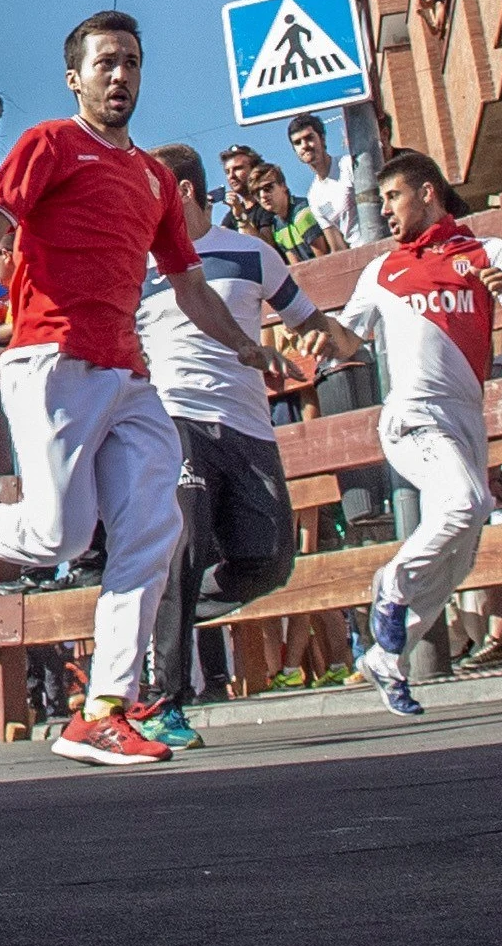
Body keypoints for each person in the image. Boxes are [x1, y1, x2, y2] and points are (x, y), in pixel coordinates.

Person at [0, 11, 290, 767]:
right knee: (59, 537)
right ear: (75, 77)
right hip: (51, 360)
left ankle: (101, 709)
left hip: (130, 376)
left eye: (132, 62)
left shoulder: (153, 181)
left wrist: (245, 347)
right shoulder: (50, 143)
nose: (120, 75)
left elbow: (190, 286)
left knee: (153, 529)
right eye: (105, 62)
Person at [132, 143, 347, 750]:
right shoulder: (140, 266)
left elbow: (306, 319)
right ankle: (167, 700)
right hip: (178, 418)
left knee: (270, 562)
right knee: (186, 546)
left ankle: (161, 618)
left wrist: (330, 338)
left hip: (249, 426)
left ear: (186, 194)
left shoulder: (253, 254)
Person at [314, 151, 502, 717]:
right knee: (465, 502)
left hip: (465, 416)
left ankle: (390, 656)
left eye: (393, 196)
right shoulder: (383, 271)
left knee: (463, 552)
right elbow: (348, 338)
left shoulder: (487, 252)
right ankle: (390, 584)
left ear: (428, 192)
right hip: (412, 415)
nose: (384, 209)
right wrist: (317, 339)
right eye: (381, 199)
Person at [288, 113, 368, 247]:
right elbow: (337, 247)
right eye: (297, 142)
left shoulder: (348, 165)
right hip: (359, 254)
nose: (304, 145)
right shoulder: (314, 197)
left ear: (322, 139)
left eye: (309, 138)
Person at [253, 162, 336, 262]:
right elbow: (295, 267)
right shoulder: (276, 226)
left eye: (268, 188)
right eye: (257, 193)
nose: (263, 195)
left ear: (283, 186)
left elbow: (323, 260)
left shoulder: (303, 213)